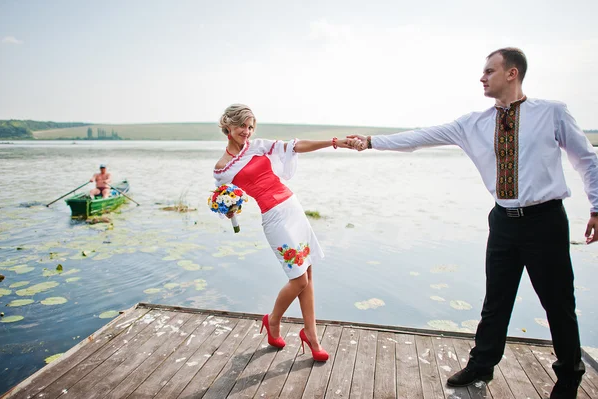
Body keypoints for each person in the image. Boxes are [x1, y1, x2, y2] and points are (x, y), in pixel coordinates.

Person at [348, 48, 598, 399]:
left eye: (489, 71)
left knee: (558, 302)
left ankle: (569, 376)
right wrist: (371, 142)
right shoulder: (472, 123)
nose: (482, 77)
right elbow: (420, 137)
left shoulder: (552, 113)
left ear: (512, 73)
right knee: (496, 299)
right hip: (503, 222)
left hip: (546, 222)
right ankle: (482, 365)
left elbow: (587, 160)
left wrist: (597, 208)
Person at [213, 104, 354, 362]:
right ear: (228, 126)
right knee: (298, 280)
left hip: (293, 208)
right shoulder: (222, 169)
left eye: (250, 126)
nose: (247, 131)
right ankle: (273, 320)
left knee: (308, 273)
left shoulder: (258, 146)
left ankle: (311, 335)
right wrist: (230, 211)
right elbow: (226, 202)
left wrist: (335, 142)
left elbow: (295, 146)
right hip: (274, 218)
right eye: (242, 126)